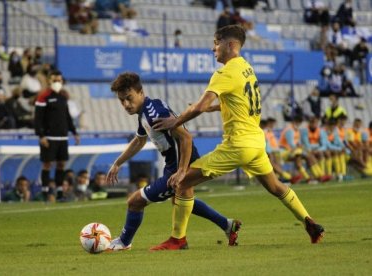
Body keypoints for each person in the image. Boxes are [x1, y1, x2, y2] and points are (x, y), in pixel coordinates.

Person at [151, 25, 324, 250]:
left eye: (216, 42)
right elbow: (236, 101)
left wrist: (176, 121)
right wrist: (213, 108)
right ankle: (309, 222)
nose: (213, 48)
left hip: (238, 144)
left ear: (230, 45)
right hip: (256, 142)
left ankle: (178, 239)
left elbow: (201, 106)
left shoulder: (225, 72)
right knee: (275, 186)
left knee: (182, 182)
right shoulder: (246, 68)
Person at [106, 72, 240, 251]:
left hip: (178, 166)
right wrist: (117, 163)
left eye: (129, 98)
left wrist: (182, 171)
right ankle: (227, 225)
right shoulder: (147, 110)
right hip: (177, 164)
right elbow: (139, 140)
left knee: (135, 202)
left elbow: (186, 138)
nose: (126, 105)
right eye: (122, 101)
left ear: (140, 92)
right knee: (181, 200)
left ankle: (124, 242)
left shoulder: (153, 114)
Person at [34, 70, 80, 201]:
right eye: (55, 80)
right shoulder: (43, 97)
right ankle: (45, 192)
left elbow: (67, 117)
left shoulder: (63, 97)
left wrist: (74, 132)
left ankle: (60, 193)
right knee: (47, 164)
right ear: (49, 81)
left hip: (63, 137)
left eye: (60, 80)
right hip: (49, 137)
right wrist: (41, 136)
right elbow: (38, 119)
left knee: (61, 164)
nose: (58, 83)